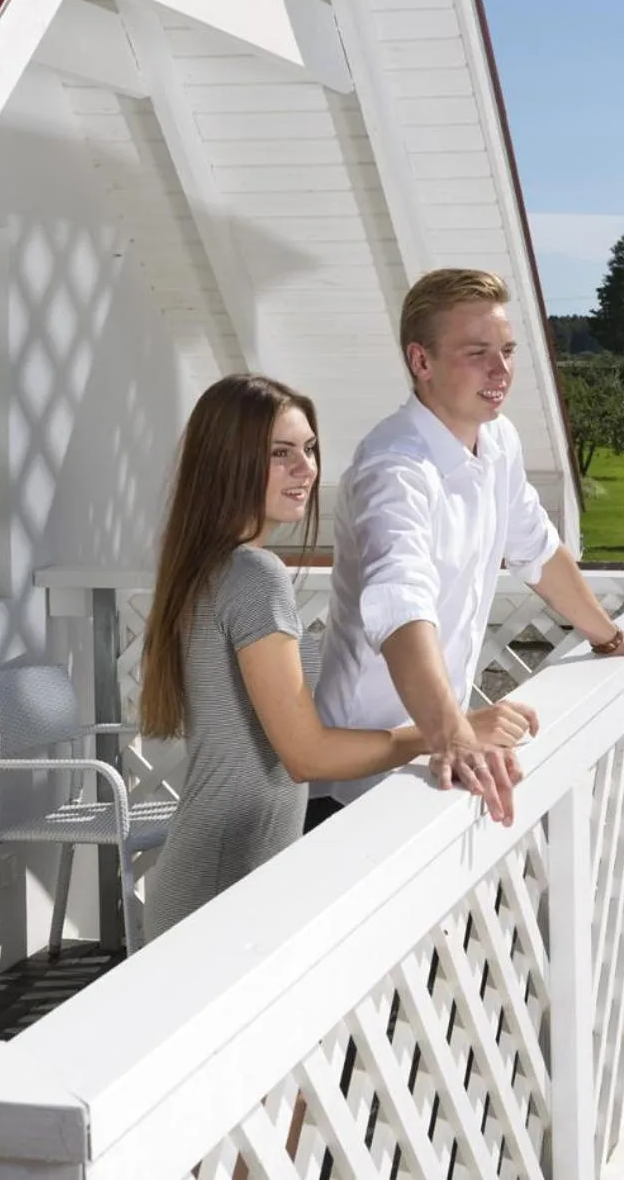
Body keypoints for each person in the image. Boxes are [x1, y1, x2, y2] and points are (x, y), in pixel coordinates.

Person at [137, 374, 536, 938]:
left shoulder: (211, 567)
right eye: (280, 454)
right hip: (222, 883)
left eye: (309, 449)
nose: (307, 469)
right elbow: (307, 756)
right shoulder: (254, 576)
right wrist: (447, 730)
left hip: (223, 871)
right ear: (227, 463)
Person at [308, 269, 624, 832]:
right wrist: (454, 735)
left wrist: (609, 636)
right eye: (478, 353)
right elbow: (400, 605)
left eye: (506, 351)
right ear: (421, 362)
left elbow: (538, 551)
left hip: (436, 753)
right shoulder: (393, 470)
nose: (501, 371)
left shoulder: (498, 441)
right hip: (354, 787)